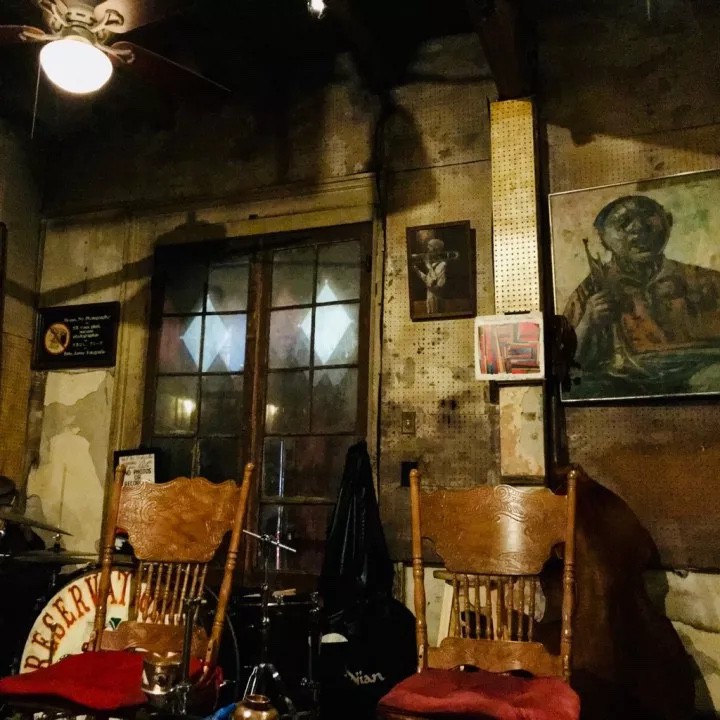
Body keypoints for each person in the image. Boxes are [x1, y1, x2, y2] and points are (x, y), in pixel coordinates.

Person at [563, 194, 720, 393]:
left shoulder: (707, 281)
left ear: (668, 222)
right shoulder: (591, 291)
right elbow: (565, 364)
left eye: (647, 217)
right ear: (603, 239)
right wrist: (588, 322)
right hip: (623, 386)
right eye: (623, 223)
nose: (637, 229)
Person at [412, 231, 448, 314]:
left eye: (430, 248)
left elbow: (433, 284)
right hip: (430, 299)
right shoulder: (433, 265)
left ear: (436, 250)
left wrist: (428, 266)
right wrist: (416, 270)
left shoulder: (442, 265)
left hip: (436, 300)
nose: (427, 250)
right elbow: (427, 279)